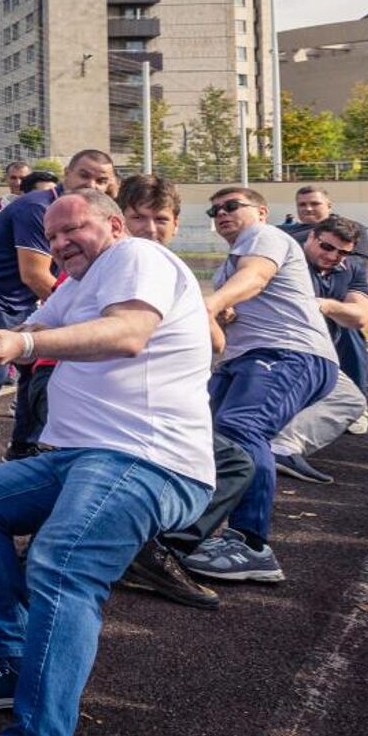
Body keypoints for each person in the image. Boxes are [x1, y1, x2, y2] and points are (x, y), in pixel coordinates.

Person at [0, 190, 215, 736]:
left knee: (61, 564)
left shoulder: (136, 255)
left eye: (71, 230)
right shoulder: (80, 283)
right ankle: (18, 660)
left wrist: (25, 346)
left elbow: (129, 334)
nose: (58, 244)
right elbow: (34, 329)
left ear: (112, 223)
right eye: (51, 237)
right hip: (85, 457)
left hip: (144, 456)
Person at [0, 150, 117, 488]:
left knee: (37, 361)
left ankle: (22, 448)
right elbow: (35, 275)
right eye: (84, 176)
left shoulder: (91, 215)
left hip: (17, 301)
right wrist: (87, 322)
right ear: (66, 174)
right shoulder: (39, 208)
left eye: (102, 179)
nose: (93, 185)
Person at [178, 186, 338, 585]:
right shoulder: (229, 264)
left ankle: (250, 544)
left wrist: (211, 305)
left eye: (232, 206)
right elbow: (242, 295)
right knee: (206, 437)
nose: (221, 214)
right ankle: (185, 526)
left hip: (287, 353)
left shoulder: (266, 238)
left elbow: (257, 277)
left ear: (261, 212)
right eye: (215, 210)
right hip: (246, 358)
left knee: (241, 430)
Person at [110, 174, 249, 611]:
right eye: (138, 218)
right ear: (120, 219)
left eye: (160, 219)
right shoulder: (123, 264)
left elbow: (216, 342)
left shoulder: (166, 267)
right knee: (231, 462)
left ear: (175, 223)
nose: (150, 229)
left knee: (230, 462)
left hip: (159, 402)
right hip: (129, 405)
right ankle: (147, 550)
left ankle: (143, 547)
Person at [302, 215, 368, 395]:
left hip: (330, 353)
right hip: (288, 354)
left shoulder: (351, 268)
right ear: (311, 237)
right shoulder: (288, 264)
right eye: (326, 247)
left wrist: (327, 306)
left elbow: (360, 316)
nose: (333, 256)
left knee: (353, 407)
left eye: (343, 253)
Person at [286, 185, 368, 261]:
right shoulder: (284, 232)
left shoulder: (352, 228)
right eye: (302, 205)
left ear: (329, 206)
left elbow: (358, 263)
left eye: (315, 204)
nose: (308, 209)